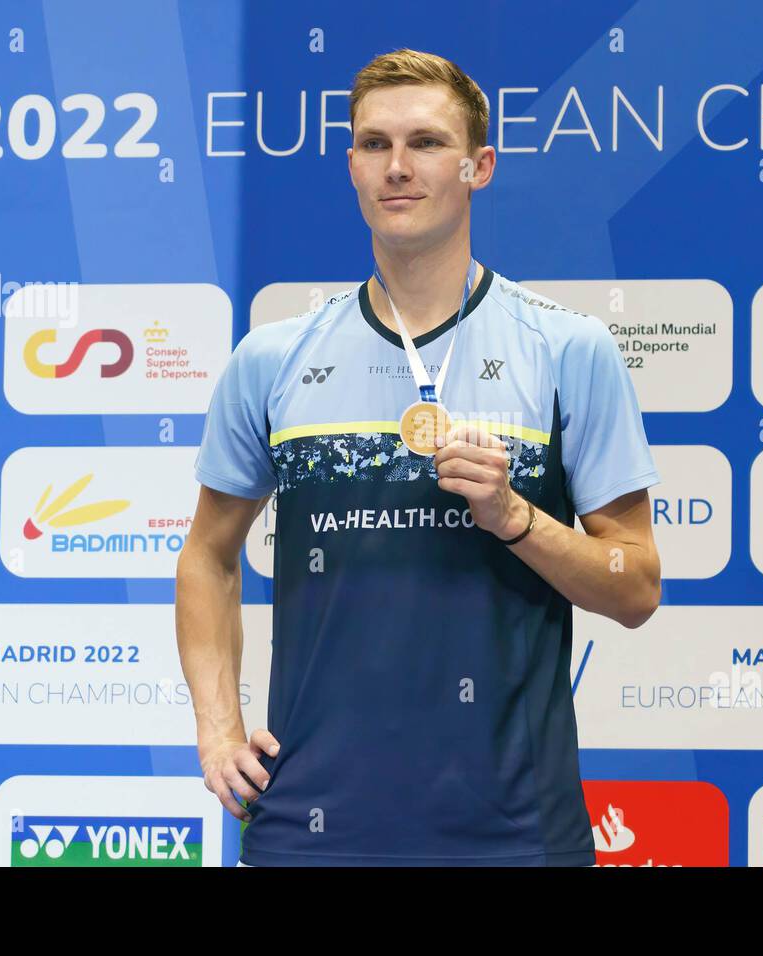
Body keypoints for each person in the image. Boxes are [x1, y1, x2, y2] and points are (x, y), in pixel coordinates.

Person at [176, 48, 661, 867]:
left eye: (428, 143)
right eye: (374, 144)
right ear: (353, 166)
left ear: (479, 166)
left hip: (514, 835)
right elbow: (207, 556)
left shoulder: (569, 350)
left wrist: (514, 517)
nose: (398, 167)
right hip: (310, 826)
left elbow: (635, 585)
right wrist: (218, 728)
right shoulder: (273, 357)